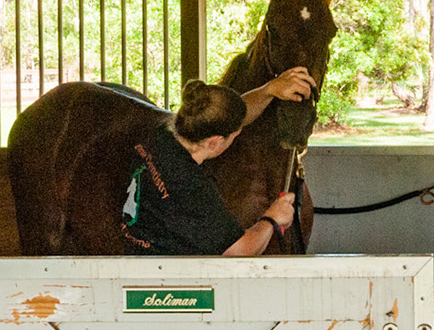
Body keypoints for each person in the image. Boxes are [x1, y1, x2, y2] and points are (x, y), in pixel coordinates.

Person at [121, 67, 315, 255]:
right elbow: (240, 250)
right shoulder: (193, 189)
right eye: (233, 136)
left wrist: (269, 90)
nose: (236, 136)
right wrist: (273, 218)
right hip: (167, 271)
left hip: (135, 251)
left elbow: (229, 116)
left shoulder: (160, 135)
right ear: (214, 142)